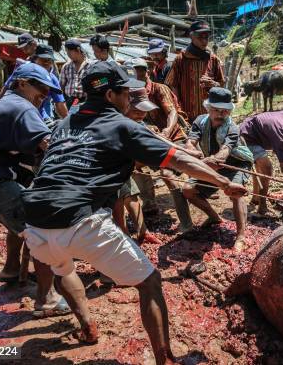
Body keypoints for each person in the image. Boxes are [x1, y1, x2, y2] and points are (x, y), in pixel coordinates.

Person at [21, 62, 247, 364]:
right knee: (149, 282)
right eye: (126, 92)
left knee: (63, 268)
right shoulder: (122, 125)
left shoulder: (64, 124)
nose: (130, 98)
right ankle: (165, 359)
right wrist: (223, 182)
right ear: (112, 95)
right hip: (78, 219)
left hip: (34, 225)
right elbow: (178, 160)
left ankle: (88, 328)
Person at [0, 62, 69, 316]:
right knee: (40, 228)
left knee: (19, 218)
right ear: (22, 84)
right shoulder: (21, 106)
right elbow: (49, 145)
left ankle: (11, 268)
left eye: (49, 90)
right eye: (40, 88)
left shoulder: (8, 104)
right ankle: (47, 299)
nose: (45, 94)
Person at [182, 87, 253, 251]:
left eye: (225, 111)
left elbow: (223, 156)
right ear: (208, 108)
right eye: (216, 110)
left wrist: (201, 162)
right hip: (209, 164)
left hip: (235, 164)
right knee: (187, 190)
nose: (221, 114)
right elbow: (190, 143)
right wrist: (193, 153)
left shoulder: (232, 128)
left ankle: (241, 236)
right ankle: (215, 218)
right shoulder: (200, 121)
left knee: (236, 194)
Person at [133, 58, 190, 225]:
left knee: (168, 174)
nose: (138, 74)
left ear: (147, 71)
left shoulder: (159, 89)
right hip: (151, 141)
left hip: (173, 138)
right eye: (135, 71)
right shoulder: (131, 93)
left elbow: (172, 113)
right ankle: (149, 203)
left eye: (141, 70)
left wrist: (166, 131)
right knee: (134, 165)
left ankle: (186, 222)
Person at [113, 88, 159, 241]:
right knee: (118, 196)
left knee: (131, 193)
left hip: (122, 165)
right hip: (109, 169)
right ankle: (124, 234)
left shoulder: (138, 124)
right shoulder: (114, 122)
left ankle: (143, 232)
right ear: (125, 104)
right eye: (137, 110)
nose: (141, 114)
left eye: (144, 111)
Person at [165, 21, 224, 122]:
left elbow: (221, 85)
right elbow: (173, 85)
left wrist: (214, 84)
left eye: (207, 37)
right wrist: (178, 108)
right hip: (187, 116)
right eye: (200, 37)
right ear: (191, 37)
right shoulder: (181, 59)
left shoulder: (213, 59)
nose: (204, 41)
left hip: (210, 116)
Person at [3, 45, 68, 125]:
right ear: (35, 59)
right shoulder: (23, 71)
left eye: (50, 60)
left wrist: (68, 124)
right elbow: (5, 89)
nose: (46, 62)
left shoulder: (52, 79)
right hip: (16, 115)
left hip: (40, 117)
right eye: (43, 59)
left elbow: (60, 104)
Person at [60, 38, 89, 108]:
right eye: (67, 52)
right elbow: (61, 86)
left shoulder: (91, 65)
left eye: (69, 52)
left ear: (78, 50)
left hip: (86, 101)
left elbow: (102, 81)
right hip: (70, 101)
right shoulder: (66, 66)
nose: (68, 54)